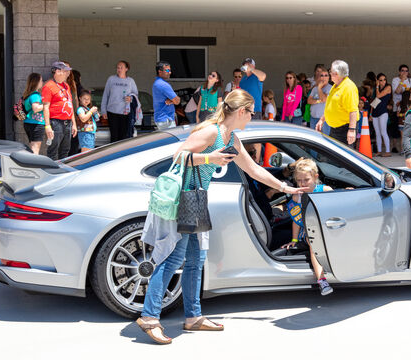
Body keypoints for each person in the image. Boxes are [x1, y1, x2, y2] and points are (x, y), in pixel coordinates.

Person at [136, 89, 307, 344]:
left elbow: (254, 170)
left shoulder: (232, 138)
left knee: (196, 259)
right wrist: (210, 157)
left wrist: (285, 188)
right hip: (183, 198)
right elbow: (178, 156)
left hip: (197, 200)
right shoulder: (211, 132)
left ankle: (193, 317)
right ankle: (149, 317)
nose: (252, 117)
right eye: (251, 112)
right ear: (241, 111)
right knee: (173, 258)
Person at [280, 158, 334, 296]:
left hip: (328, 227)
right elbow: (296, 220)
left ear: (315, 177)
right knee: (313, 242)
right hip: (309, 231)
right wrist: (295, 240)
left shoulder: (326, 190)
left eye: (306, 180)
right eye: (299, 180)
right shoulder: (296, 197)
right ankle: (321, 280)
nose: (302, 183)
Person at [315, 60, 359, 146]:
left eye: (330, 71)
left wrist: (351, 130)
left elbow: (353, 111)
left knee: (344, 157)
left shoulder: (348, 87)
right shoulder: (336, 86)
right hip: (335, 129)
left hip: (344, 130)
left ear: (336, 74)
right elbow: (331, 105)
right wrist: (322, 119)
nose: (330, 73)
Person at [42, 61, 77, 161]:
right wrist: (47, 126)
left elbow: (70, 105)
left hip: (68, 122)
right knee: (53, 150)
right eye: (65, 71)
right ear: (57, 71)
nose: (68, 73)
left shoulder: (66, 86)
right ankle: (52, 173)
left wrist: (74, 124)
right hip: (56, 122)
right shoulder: (48, 86)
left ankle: (63, 172)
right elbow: (46, 107)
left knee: (65, 150)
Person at [101, 60, 138, 143]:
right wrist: (103, 110)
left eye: (121, 67)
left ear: (126, 69)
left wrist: (131, 99)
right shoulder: (111, 79)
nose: (119, 69)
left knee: (124, 138)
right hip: (112, 112)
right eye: (118, 67)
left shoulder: (130, 81)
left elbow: (136, 95)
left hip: (125, 113)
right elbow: (105, 95)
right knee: (114, 137)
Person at [21, 73, 45, 154]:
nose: (42, 82)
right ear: (36, 82)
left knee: (32, 147)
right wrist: (47, 105)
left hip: (28, 123)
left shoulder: (28, 94)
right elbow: (36, 108)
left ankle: (30, 165)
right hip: (36, 124)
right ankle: (34, 166)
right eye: (41, 81)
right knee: (35, 149)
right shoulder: (35, 95)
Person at [153, 61, 180, 130]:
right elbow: (177, 101)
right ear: (160, 71)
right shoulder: (163, 85)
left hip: (161, 119)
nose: (170, 72)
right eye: (167, 70)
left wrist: (171, 100)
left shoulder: (157, 83)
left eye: (170, 70)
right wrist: (173, 100)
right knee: (170, 141)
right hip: (166, 120)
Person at [371, 73, 392, 156]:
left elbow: (378, 96)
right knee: (377, 132)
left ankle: (387, 151)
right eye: (381, 80)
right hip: (375, 112)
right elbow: (374, 101)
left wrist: (376, 86)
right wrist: (370, 114)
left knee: (383, 132)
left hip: (383, 112)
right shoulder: (376, 89)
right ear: (377, 81)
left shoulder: (388, 87)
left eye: (384, 79)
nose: (383, 81)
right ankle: (379, 151)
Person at [307, 66, 331, 132]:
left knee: (324, 139)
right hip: (313, 118)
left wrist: (320, 88)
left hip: (324, 119)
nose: (324, 77)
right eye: (322, 75)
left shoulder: (330, 88)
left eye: (326, 75)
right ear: (319, 77)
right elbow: (309, 101)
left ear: (329, 77)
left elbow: (323, 99)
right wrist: (318, 101)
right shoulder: (315, 88)